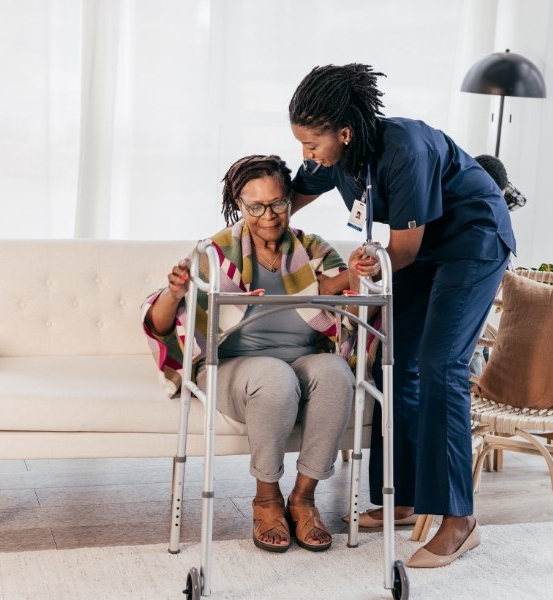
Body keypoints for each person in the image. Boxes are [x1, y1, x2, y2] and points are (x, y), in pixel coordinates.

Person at [287, 64, 515, 567]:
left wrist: (350, 276)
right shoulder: (331, 154)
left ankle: (460, 520)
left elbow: (403, 251)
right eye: (301, 144)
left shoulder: (405, 149)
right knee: (392, 362)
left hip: (472, 239)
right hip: (423, 249)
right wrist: (245, 226)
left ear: (344, 133)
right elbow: (288, 201)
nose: (307, 155)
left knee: (440, 365)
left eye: (311, 144)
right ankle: (405, 498)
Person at [142, 155, 359, 554]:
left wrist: (357, 275)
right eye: (255, 207)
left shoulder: (312, 248)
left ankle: (303, 498)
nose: (268, 216)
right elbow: (160, 325)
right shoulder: (214, 254)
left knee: (336, 373)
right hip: (232, 366)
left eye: (277, 204)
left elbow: (347, 306)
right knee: (274, 376)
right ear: (238, 205)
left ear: (290, 200)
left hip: (303, 359)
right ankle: (267, 499)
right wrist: (174, 294)